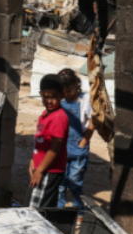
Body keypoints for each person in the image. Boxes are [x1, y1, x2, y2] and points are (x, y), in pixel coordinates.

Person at [57, 68, 94, 215]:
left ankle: (79, 212)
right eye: (63, 91)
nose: (66, 94)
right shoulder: (60, 100)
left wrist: (83, 143)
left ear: (76, 85)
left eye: (69, 91)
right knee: (60, 183)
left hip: (78, 146)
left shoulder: (85, 100)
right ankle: (59, 211)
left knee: (75, 182)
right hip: (61, 146)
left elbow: (92, 124)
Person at [29, 74, 69, 208]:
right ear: (41, 94)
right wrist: (33, 161)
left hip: (49, 171)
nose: (49, 101)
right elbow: (41, 142)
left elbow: (56, 146)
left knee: (36, 210)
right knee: (41, 206)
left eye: (54, 97)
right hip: (42, 168)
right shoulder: (45, 114)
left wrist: (40, 170)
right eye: (45, 97)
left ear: (62, 95)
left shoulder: (59, 117)